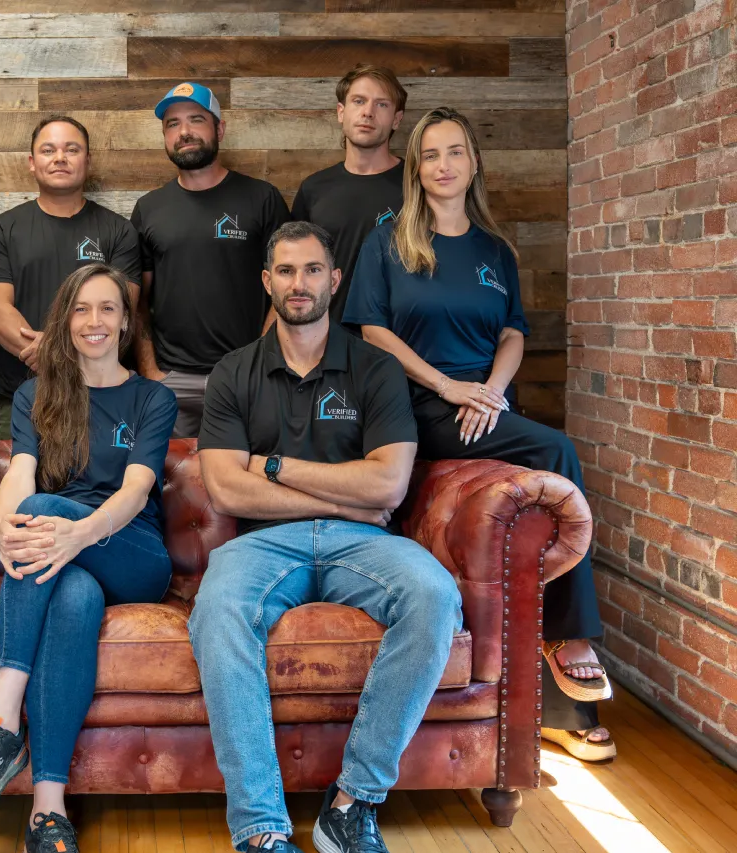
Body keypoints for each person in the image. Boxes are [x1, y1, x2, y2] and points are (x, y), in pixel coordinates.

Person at [342, 106, 614, 763]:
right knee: (558, 449)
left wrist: (489, 390)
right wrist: (448, 386)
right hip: (417, 404)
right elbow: (370, 330)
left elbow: (514, 330)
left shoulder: (496, 250)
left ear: (473, 162)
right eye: (430, 154)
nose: (443, 165)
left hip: (484, 403)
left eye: (454, 152)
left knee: (549, 453)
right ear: (416, 168)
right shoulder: (388, 240)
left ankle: (563, 667)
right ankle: (571, 633)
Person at [191, 221, 462, 853]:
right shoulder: (234, 372)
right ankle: (260, 827)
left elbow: (389, 486)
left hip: (362, 543)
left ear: (335, 280)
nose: (299, 283)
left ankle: (352, 803)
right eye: (285, 271)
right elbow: (226, 491)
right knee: (217, 610)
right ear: (267, 282)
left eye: (312, 270)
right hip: (263, 545)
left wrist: (275, 464)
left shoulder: (375, 368)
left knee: (433, 596)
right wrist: (346, 489)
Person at [0, 264, 178, 853]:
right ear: (64, 321)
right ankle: (48, 810)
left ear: (124, 321)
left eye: (108, 309)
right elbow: (20, 472)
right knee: (73, 597)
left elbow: (136, 490)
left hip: (132, 551)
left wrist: (75, 532)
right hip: (65, 562)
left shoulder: (151, 397)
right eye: (82, 309)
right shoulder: (38, 394)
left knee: (44, 509)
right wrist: (10, 530)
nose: (94, 321)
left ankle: (0, 712)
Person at [131, 82, 291, 437]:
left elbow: (287, 290)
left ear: (219, 128)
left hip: (245, 378)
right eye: (172, 124)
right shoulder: (149, 209)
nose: (184, 131)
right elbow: (136, 301)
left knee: (246, 482)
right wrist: (151, 372)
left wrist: (259, 364)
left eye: (195, 120)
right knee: (172, 484)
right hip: (172, 382)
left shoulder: (262, 199)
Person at [0, 116, 142, 438]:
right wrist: (54, 354)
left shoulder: (118, 231)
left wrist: (55, 352)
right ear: (32, 162)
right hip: (18, 396)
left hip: (98, 395)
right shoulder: (3, 229)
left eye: (72, 149)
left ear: (87, 160)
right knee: (16, 483)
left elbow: (121, 310)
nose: (60, 158)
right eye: (48, 150)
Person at [292, 65, 406, 326]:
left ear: (396, 120)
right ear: (341, 112)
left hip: (401, 342)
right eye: (359, 101)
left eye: (382, 105)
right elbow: (295, 270)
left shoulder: (418, 185)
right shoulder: (314, 188)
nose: (368, 112)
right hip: (327, 341)